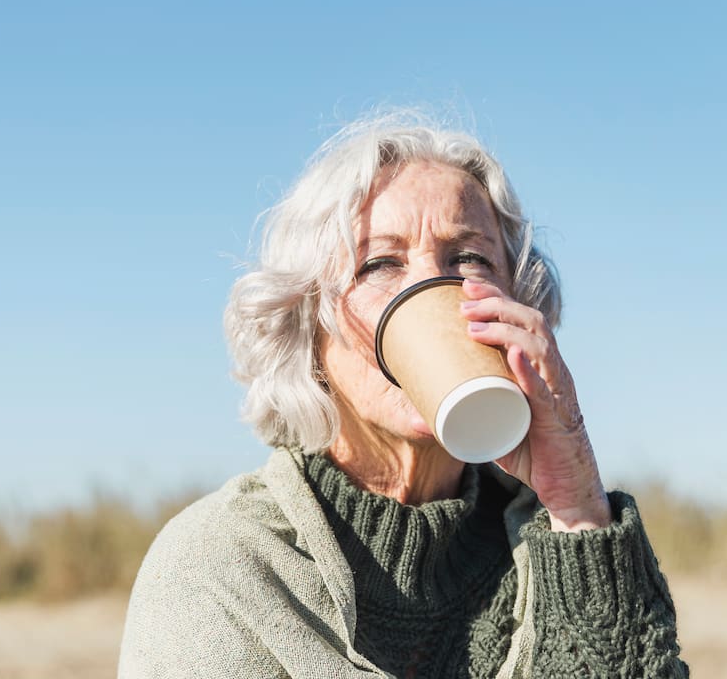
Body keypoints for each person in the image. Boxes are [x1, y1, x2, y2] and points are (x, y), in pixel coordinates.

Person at [119, 113, 688, 678]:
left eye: (469, 258)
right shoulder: (222, 565)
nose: (428, 289)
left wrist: (576, 502)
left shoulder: (561, 543)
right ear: (307, 322)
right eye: (380, 264)